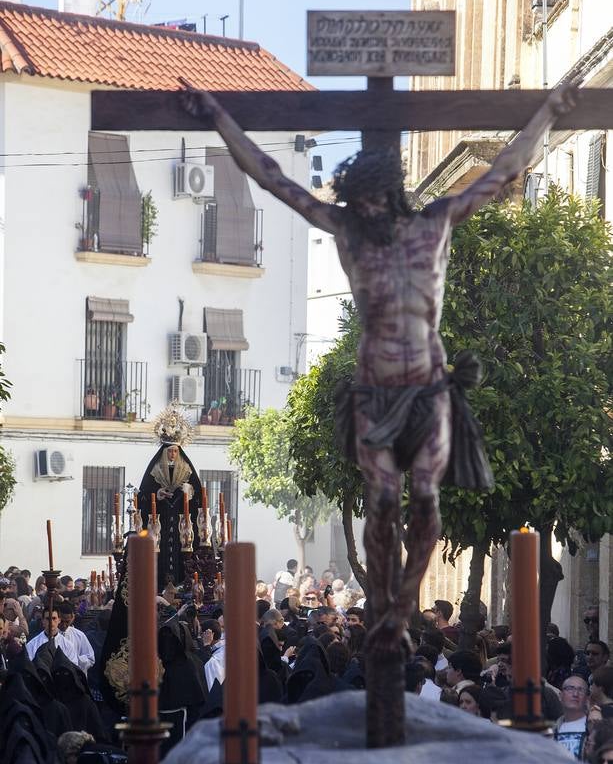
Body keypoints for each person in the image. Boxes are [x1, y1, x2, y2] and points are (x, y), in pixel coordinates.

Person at [182, 80, 575, 671]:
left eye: (368, 202)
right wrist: (217, 115)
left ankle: (400, 607)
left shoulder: (436, 224)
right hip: (374, 391)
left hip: (426, 387)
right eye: (354, 204)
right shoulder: (347, 233)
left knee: (425, 502)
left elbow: (501, 170)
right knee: (383, 501)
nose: (361, 212)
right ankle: (387, 605)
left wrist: (547, 113)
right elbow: (271, 176)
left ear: (386, 196)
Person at [138, 405, 202, 593]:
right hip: (161, 527)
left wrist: (188, 492)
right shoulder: (154, 472)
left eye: (175, 451)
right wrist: (156, 496)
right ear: (164, 453)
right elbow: (142, 498)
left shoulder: (187, 472)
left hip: (183, 530)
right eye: (169, 451)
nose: (173, 454)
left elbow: (199, 499)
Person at [553, 675, 589, 760]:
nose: (575, 694)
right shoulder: (552, 729)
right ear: (560, 696)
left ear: (587, 698)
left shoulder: (593, 727)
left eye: (581, 690)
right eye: (570, 689)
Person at [57, 602, 95, 674]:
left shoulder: (79, 635)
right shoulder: (50, 635)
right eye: (61, 621)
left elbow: (90, 659)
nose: (64, 625)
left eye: (67, 622)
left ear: (72, 618)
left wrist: (75, 659)